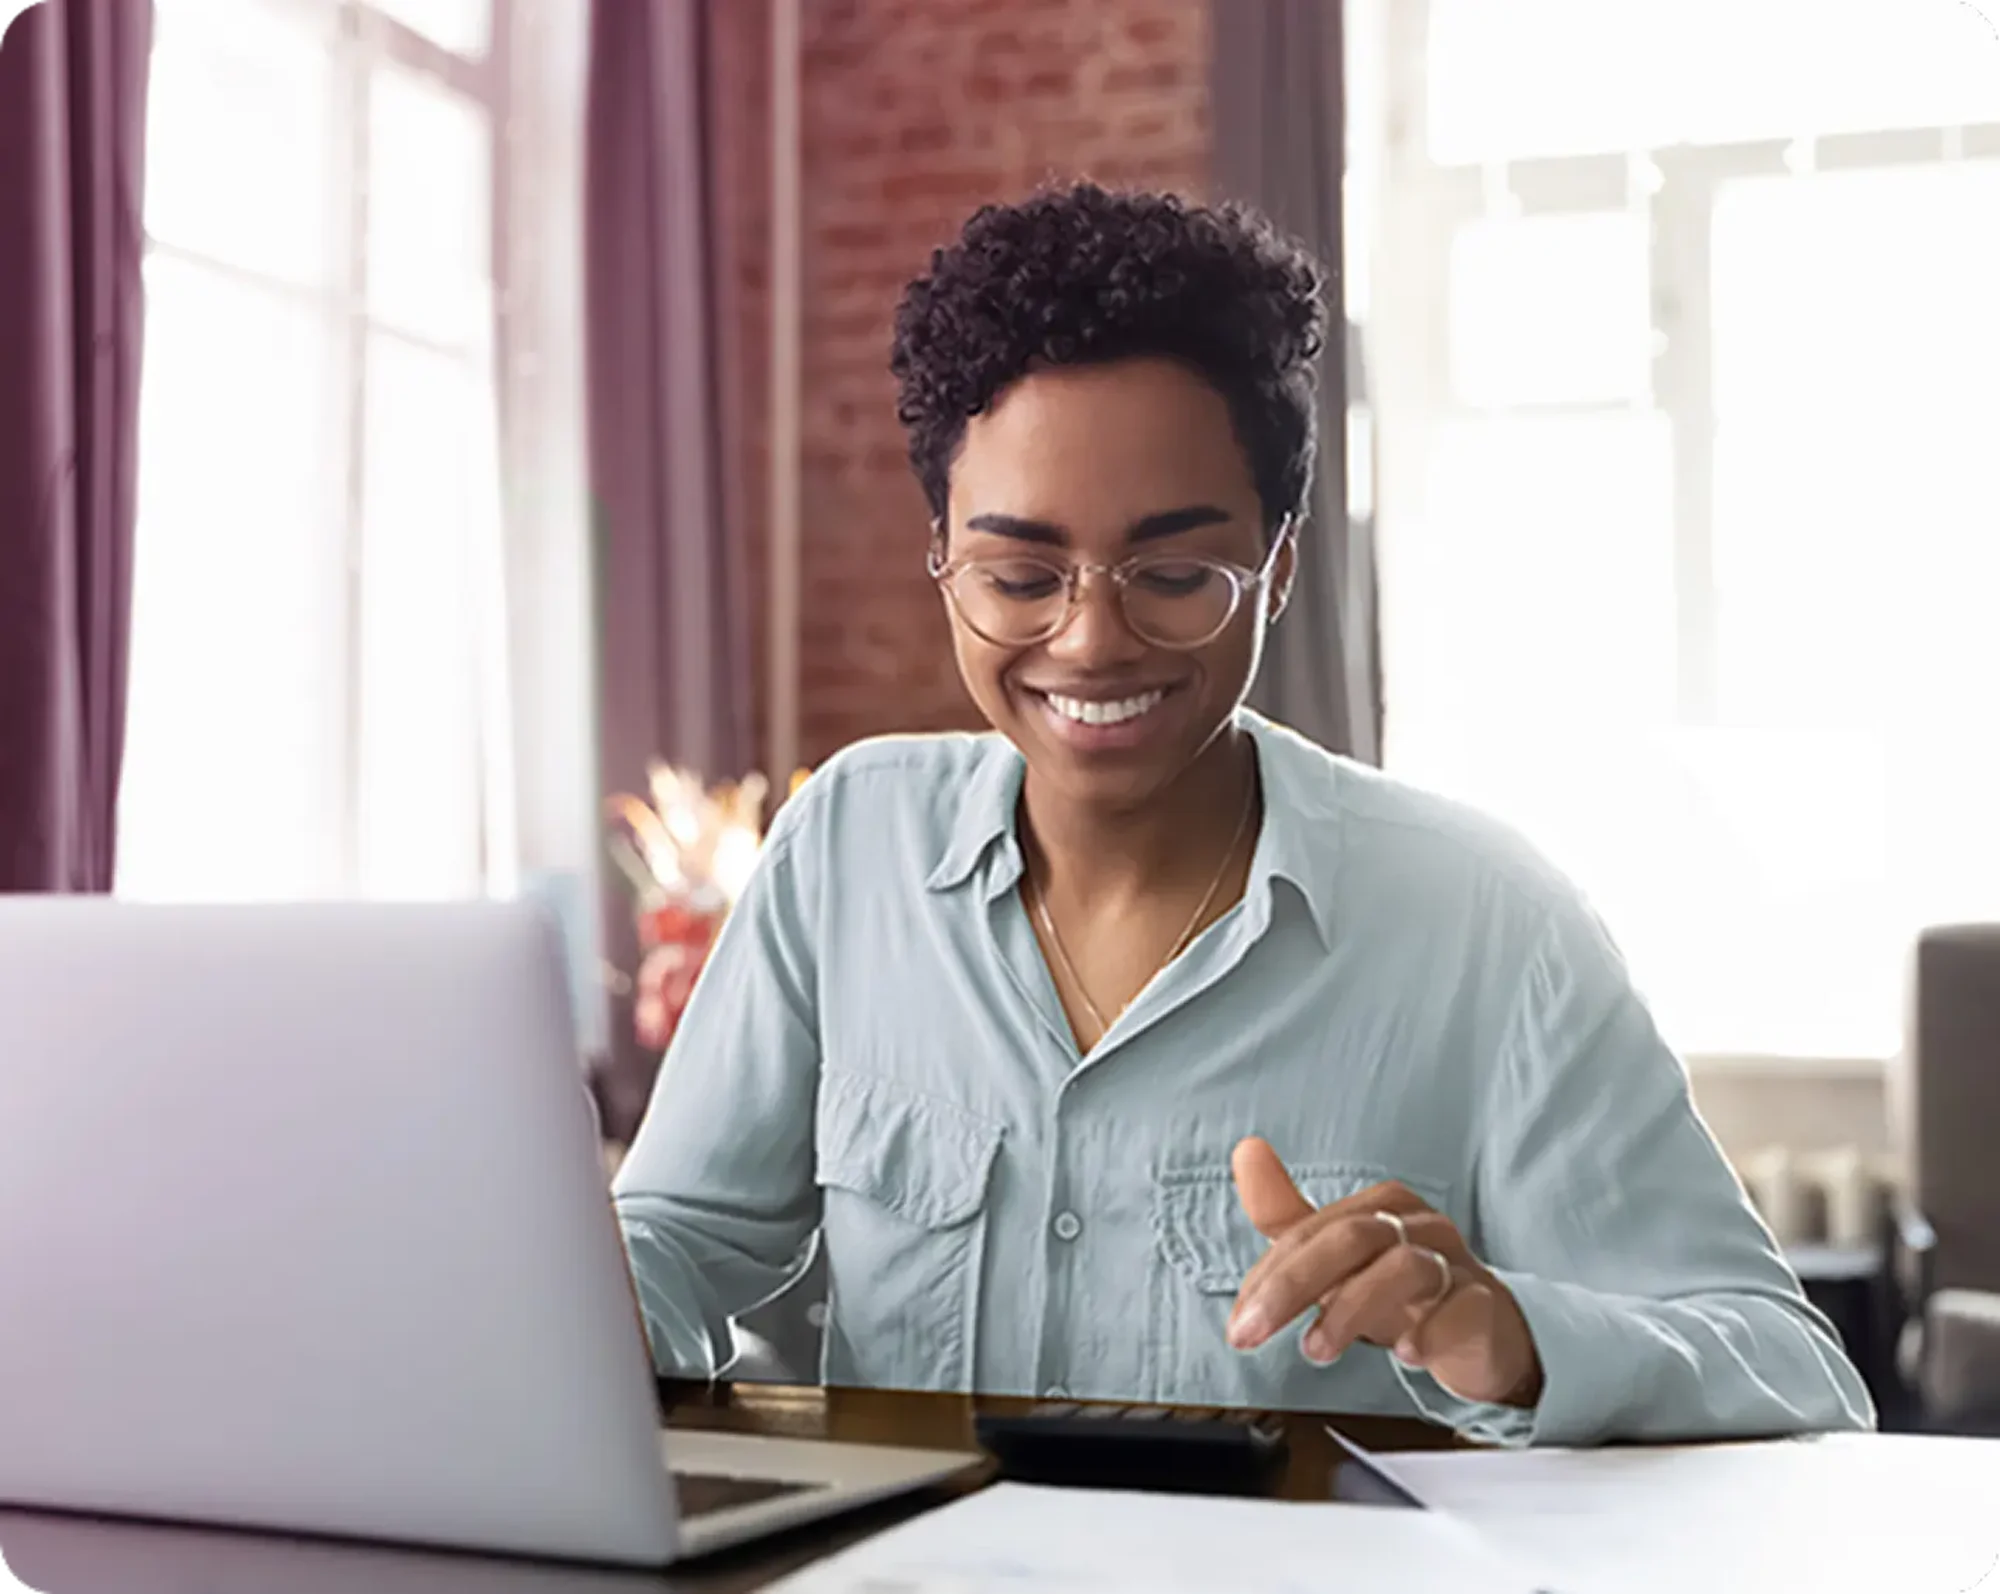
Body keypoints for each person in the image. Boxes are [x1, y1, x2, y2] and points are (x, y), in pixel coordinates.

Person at [612, 183, 1873, 1446]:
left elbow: (1795, 1374)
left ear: (1276, 564)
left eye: (1172, 574)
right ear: (940, 557)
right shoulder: (847, 846)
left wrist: (1517, 1337)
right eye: (1017, 575)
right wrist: (543, 1293)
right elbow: (684, 1240)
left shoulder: (1488, 924)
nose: (1091, 640)